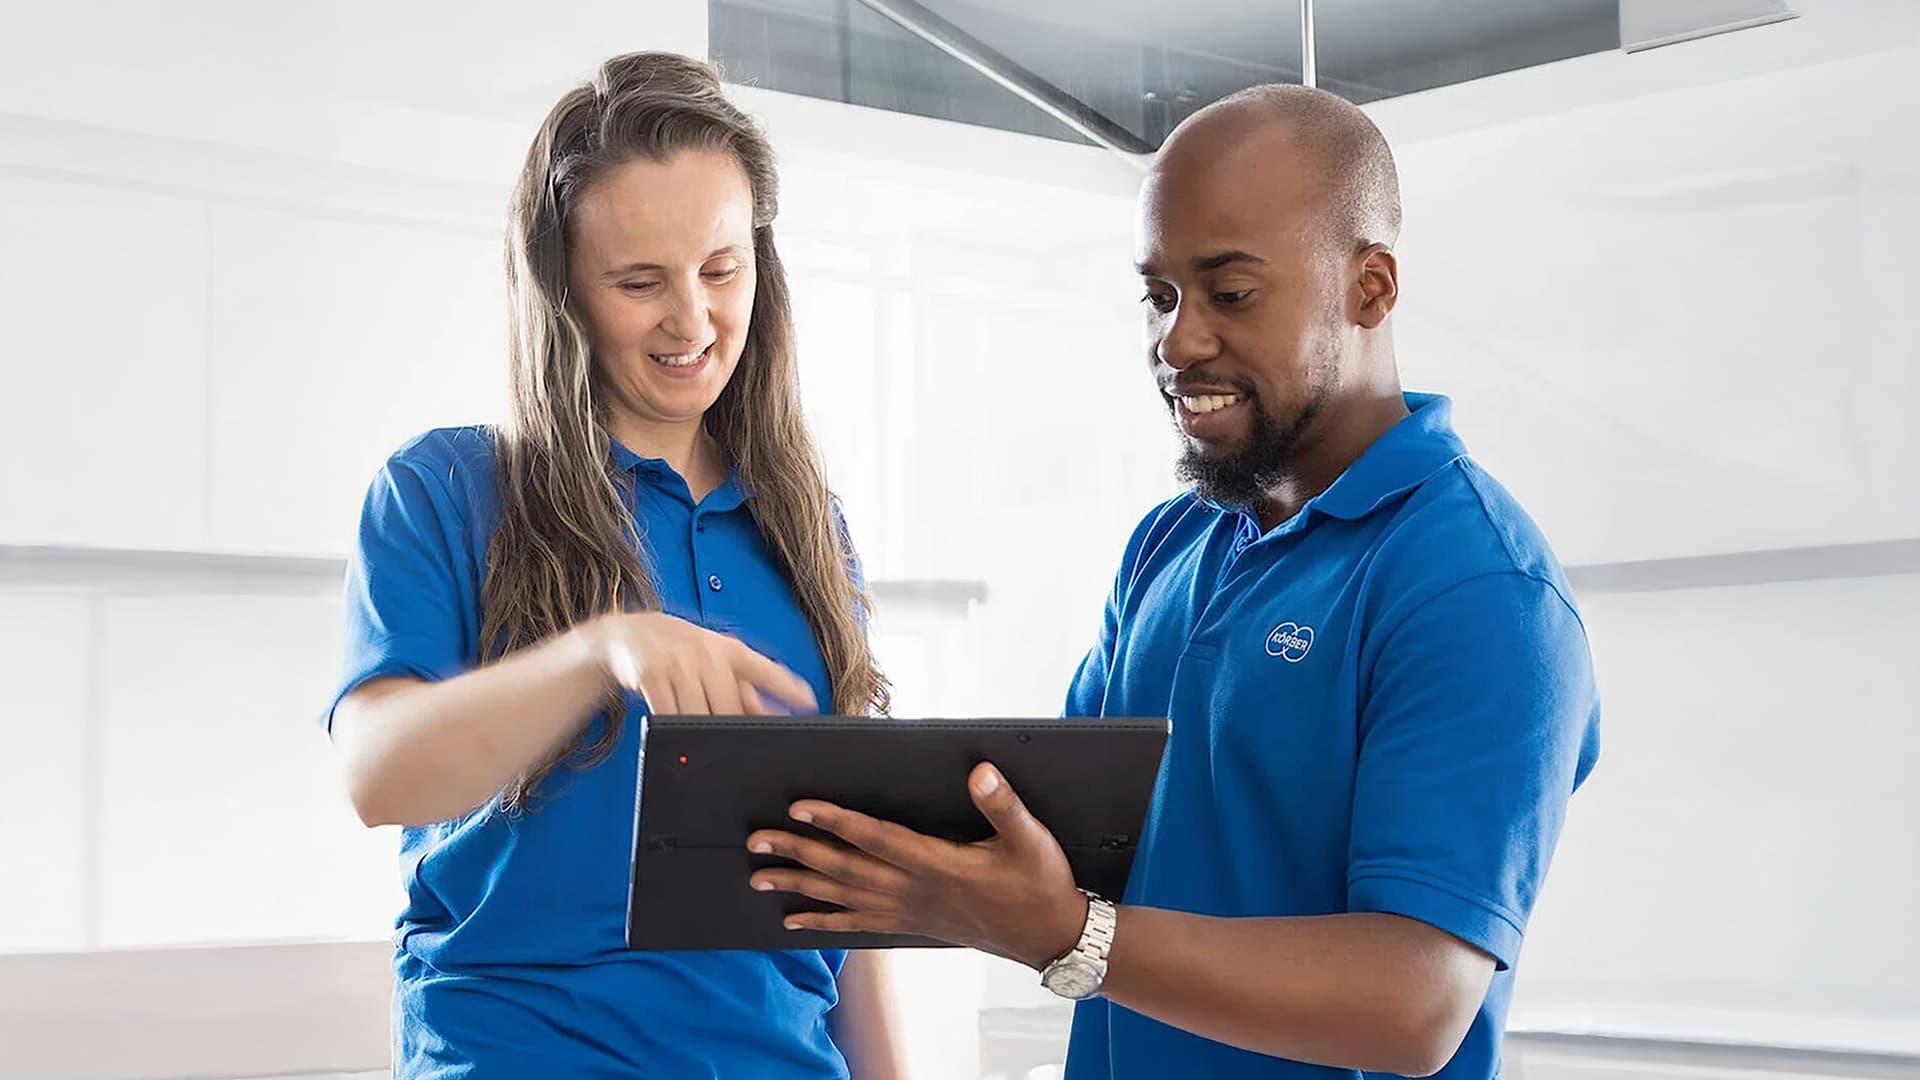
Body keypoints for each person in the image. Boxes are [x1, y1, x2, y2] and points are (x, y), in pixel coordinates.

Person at [744, 84, 1602, 1079]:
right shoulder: (1171, 543)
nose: (1177, 342)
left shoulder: (1478, 587)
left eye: (1230, 294)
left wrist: (1072, 935)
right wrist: (790, 796)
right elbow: (1060, 835)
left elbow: (1416, 1003)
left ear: (1370, 288)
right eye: (1160, 296)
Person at [325, 52, 905, 1079]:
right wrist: (600, 651)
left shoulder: (809, 526)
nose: (693, 320)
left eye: (721, 270)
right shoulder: (446, 490)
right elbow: (378, 775)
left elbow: (842, 886)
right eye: (640, 283)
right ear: (563, 294)